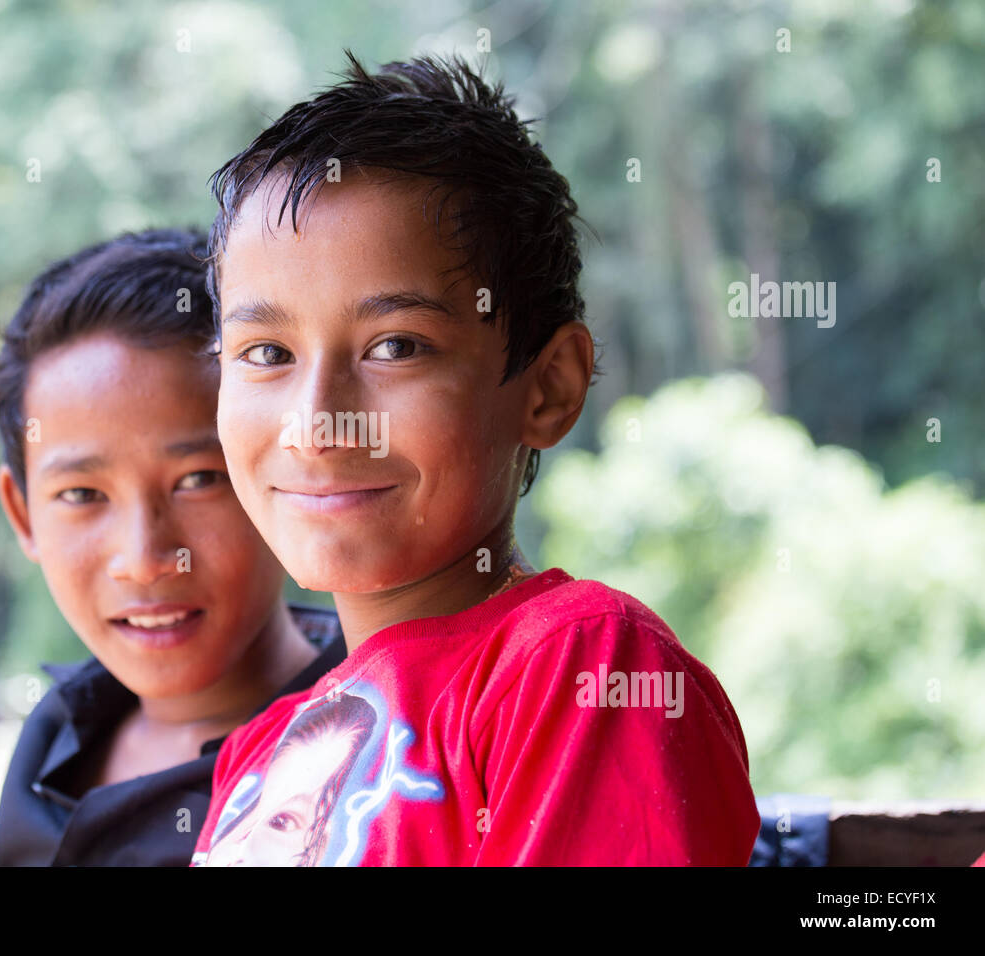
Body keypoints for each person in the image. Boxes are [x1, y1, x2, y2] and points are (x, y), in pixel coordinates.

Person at [192, 54, 759, 865]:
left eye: (396, 346)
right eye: (265, 353)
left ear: (548, 387)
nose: (317, 425)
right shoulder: (257, 761)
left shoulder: (580, 667)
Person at [0, 228, 344, 866]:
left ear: (280, 472)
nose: (145, 557)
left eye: (198, 481)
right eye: (81, 495)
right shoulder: (59, 733)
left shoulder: (358, 749)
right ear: (22, 514)